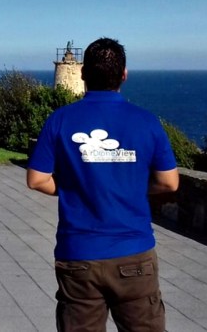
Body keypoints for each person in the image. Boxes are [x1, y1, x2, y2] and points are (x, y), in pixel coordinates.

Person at [27, 37, 180, 332]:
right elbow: (169, 182)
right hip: (134, 253)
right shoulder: (146, 122)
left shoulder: (59, 120)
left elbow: (36, 179)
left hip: (79, 254)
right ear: (124, 74)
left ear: (82, 73)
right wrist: (133, 186)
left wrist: (70, 185)